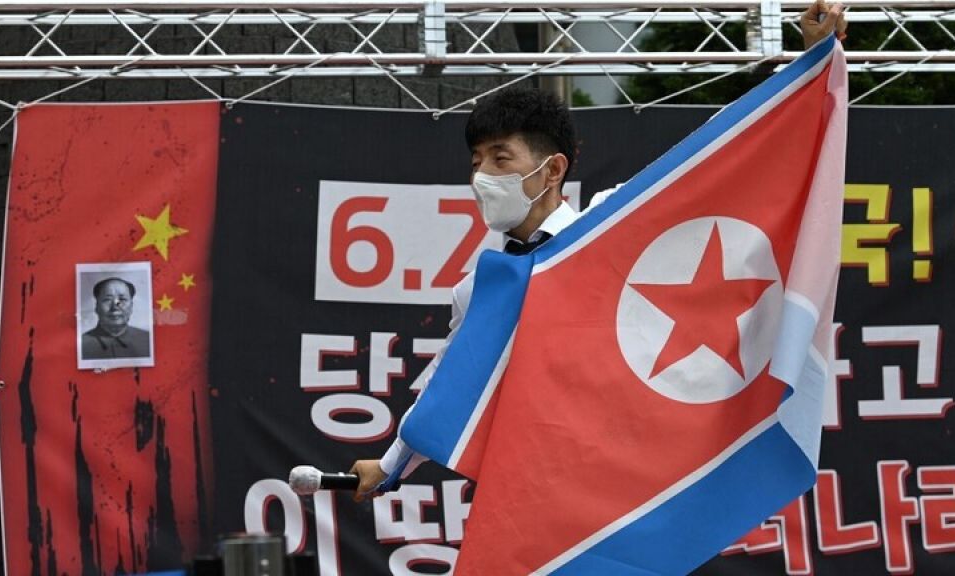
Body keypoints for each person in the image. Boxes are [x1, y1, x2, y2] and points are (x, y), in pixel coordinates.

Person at [349, 1, 847, 500]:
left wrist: (813, 58)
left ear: (552, 169)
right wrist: (390, 465)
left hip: (636, 476)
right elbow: (449, 386)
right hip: (536, 486)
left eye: (501, 159)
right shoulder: (479, 287)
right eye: (476, 162)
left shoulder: (611, 221)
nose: (483, 177)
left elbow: (720, 158)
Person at [81, 277, 151, 360]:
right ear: (96, 306)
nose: (115, 307)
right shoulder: (81, 344)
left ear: (131, 306)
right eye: (107, 299)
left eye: (122, 299)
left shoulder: (148, 340)